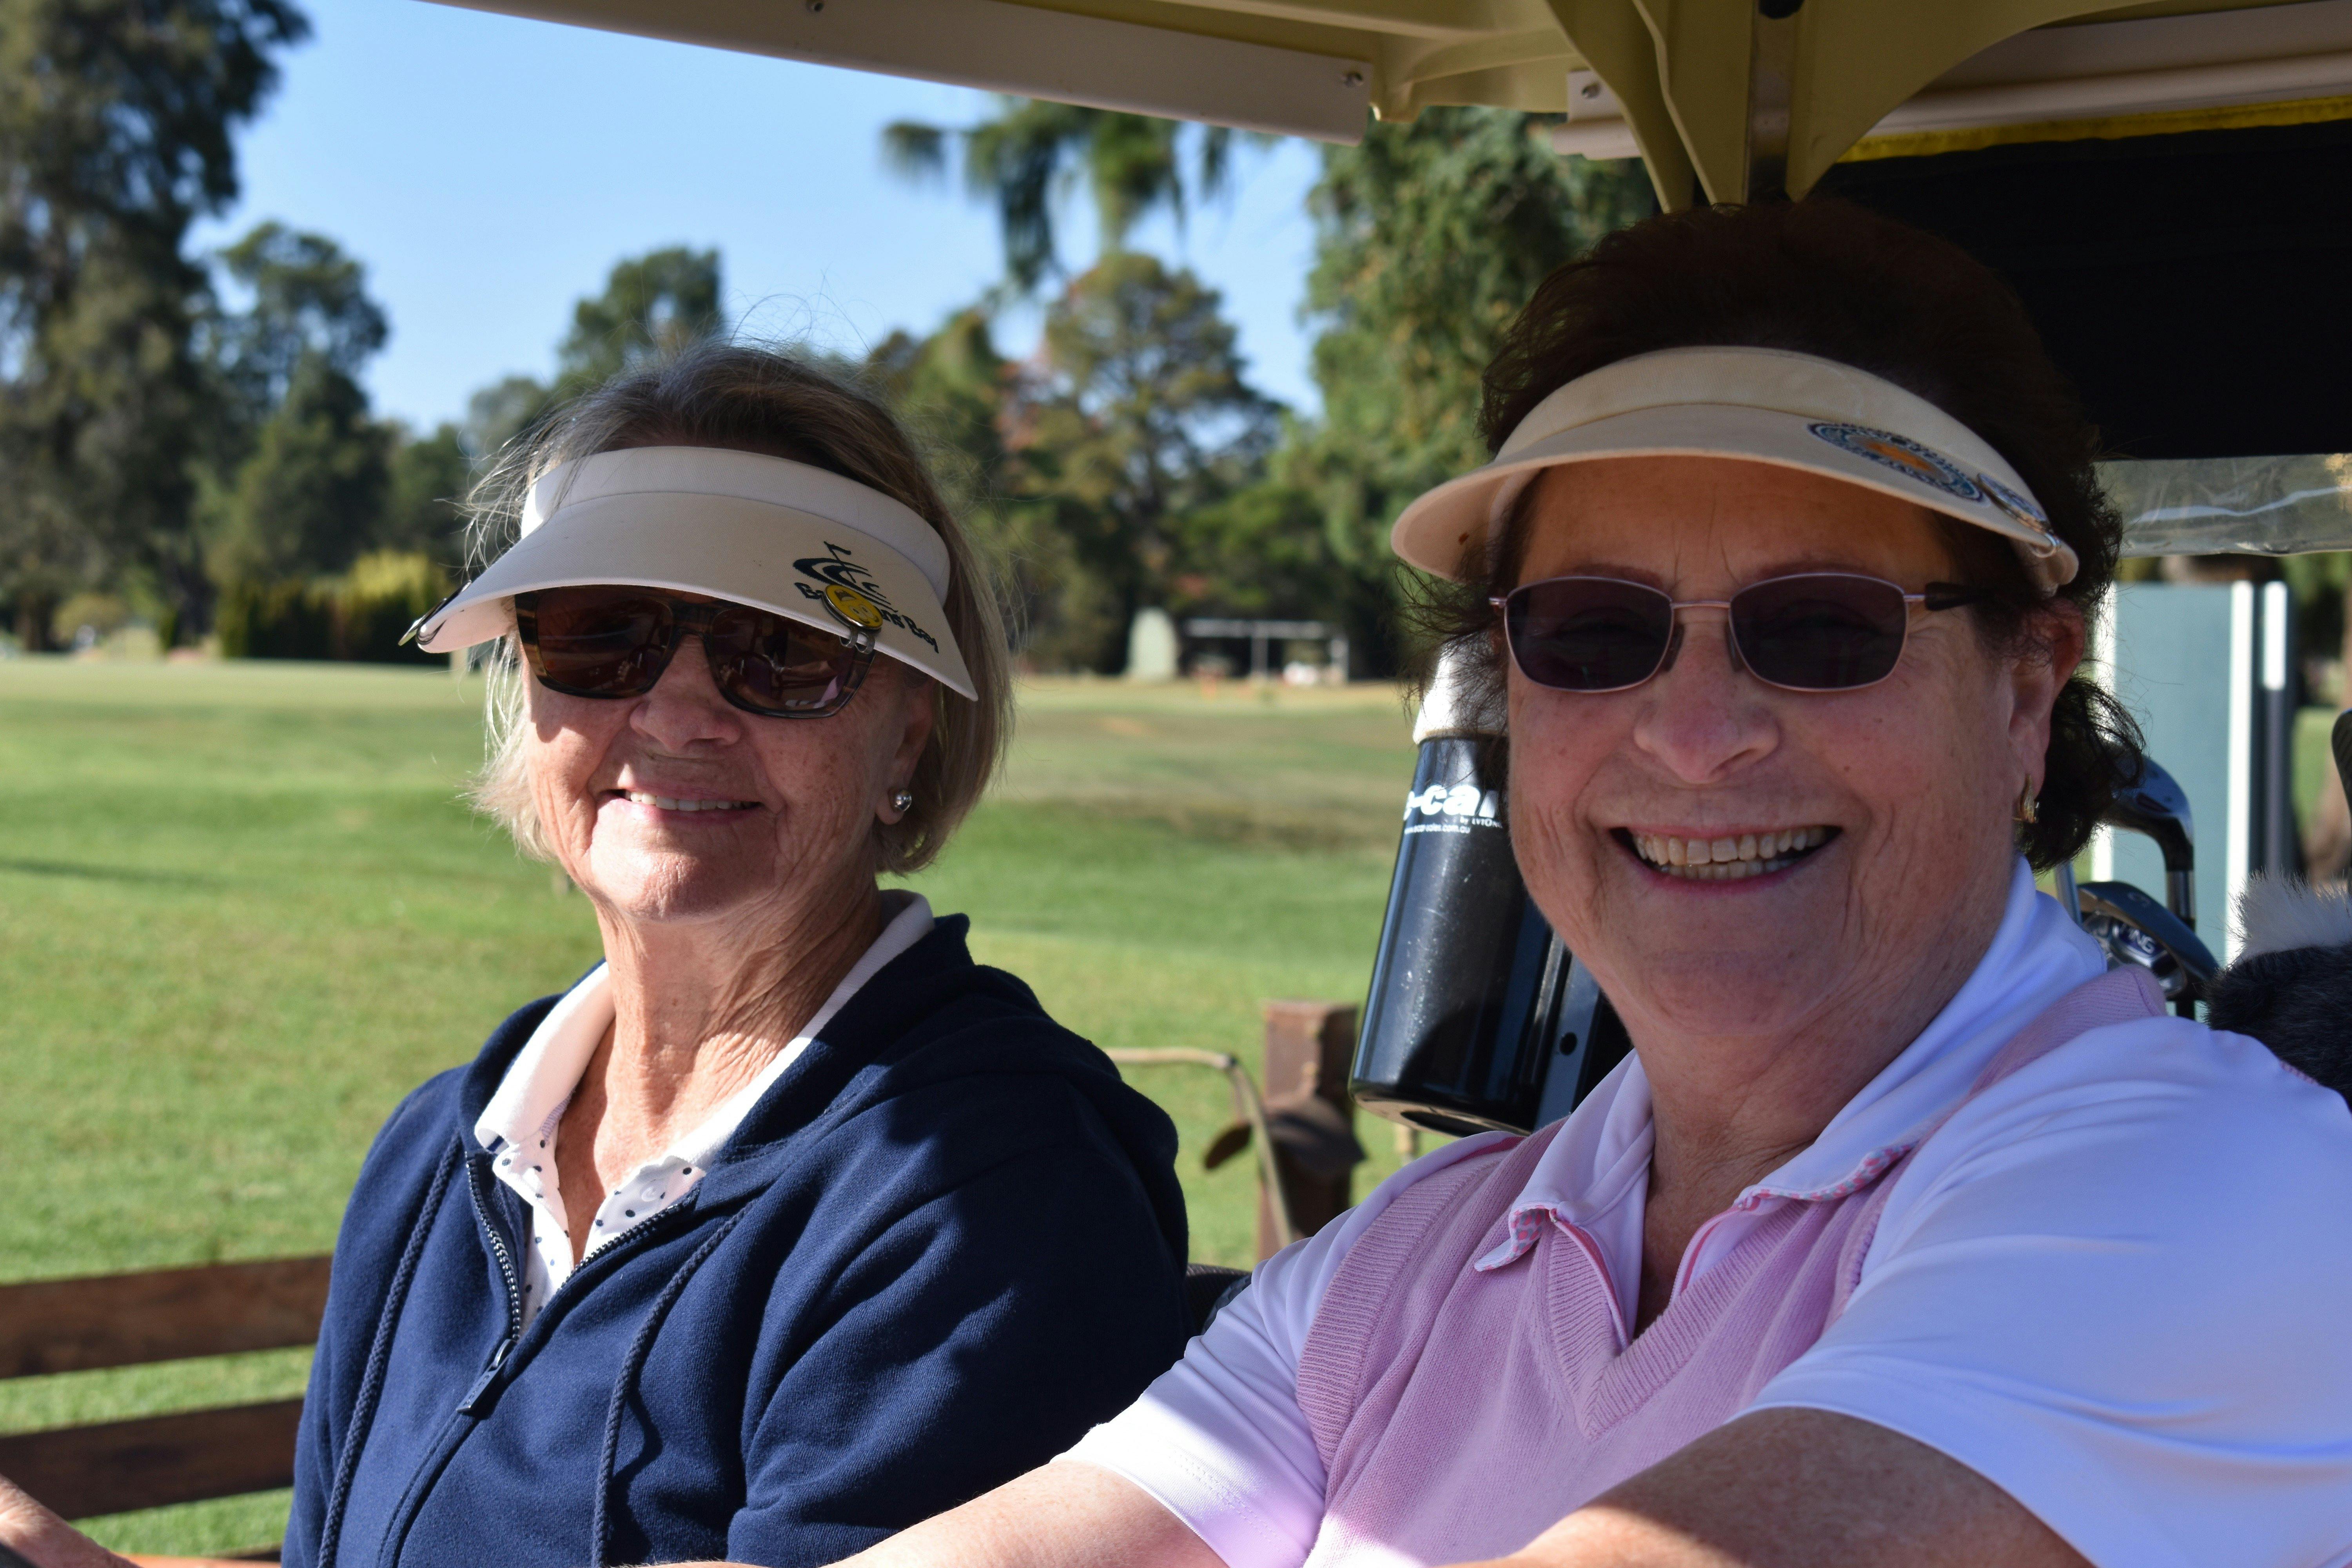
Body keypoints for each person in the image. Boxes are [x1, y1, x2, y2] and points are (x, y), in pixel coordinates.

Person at [819, 201, 2352, 1567]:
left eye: (1822, 627)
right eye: (1592, 631)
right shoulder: (1426, 1256)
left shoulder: (2215, 1187)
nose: (1692, 738)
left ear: (2028, 688)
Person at [0, 342, 1192, 1568]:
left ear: (909, 732)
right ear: (526, 684)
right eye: (600, 630)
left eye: (780, 648)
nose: (678, 710)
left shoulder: (991, 1194)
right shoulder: (437, 1157)